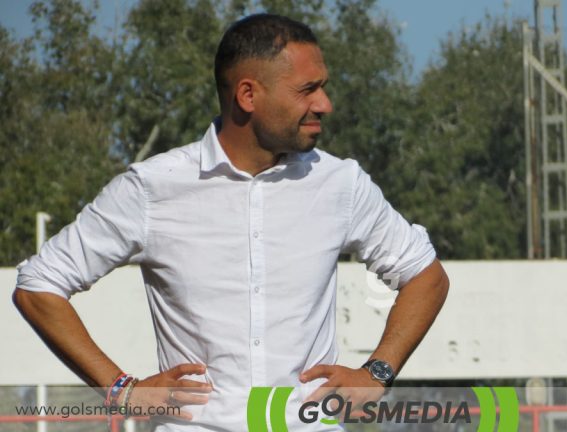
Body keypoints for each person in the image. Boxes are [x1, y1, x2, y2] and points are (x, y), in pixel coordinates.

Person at [12, 12, 449, 432]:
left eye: (324, 87)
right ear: (248, 95)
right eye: (308, 89)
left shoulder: (340, 182)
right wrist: (122, 389)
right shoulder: (152, 187)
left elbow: (425, 276)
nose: (325, 104)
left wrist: (377, 372)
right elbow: (38, 285)